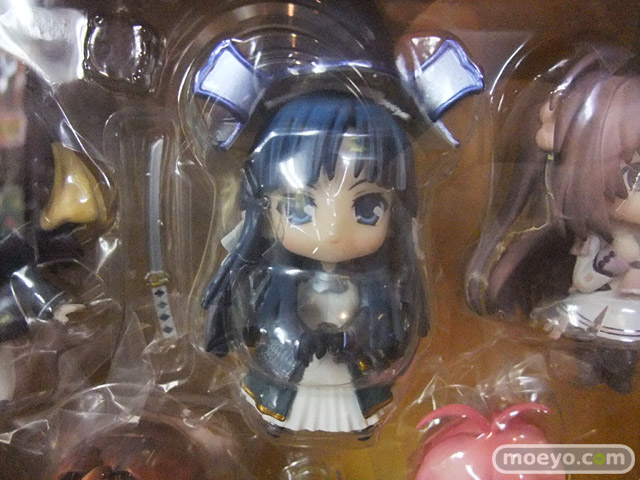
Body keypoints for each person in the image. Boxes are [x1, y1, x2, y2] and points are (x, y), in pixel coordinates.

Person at [202, 92, 428, 433]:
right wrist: (297, 337)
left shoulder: (379, 283)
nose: (333, 232)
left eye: (367, 207)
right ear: (265, 209)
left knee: (357, 401)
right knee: (287, 395)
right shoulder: (273, 280)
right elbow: (264, 319)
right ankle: (280, 418)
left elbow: (384, 328)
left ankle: (358, 421)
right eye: (300, 207)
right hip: (292, 363)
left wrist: (354, 338)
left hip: (352, 366)